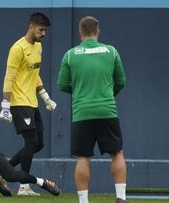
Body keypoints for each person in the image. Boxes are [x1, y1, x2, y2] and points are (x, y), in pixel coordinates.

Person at [57, 16, 129, 203]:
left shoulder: (70, 55)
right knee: (117, 153)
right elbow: (121, 81)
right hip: (107, 111)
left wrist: (80, 91)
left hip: (82, 113)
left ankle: (83, 201)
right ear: (98, 31)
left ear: (80, 33)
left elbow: (62, 85)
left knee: (82, 157)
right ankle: (121, 198)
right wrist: (107, 94)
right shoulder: (111, 51)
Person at [0, 12, 57, 196]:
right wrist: (5, 105)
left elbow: (34, 73)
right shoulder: (17, 48)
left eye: (45, 30)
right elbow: (9, 78)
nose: (43, 33)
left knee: (38, 144)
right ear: (31, 26)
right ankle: (24, 185)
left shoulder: (38, 47)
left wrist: (45, 97)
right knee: (31, 141)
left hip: (32, 102)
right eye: (41, 29)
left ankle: (1, 171)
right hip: (18, 103)